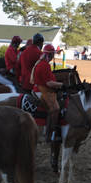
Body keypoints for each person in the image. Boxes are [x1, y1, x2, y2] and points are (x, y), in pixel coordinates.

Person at [32, 44, 64, 172]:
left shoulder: (41, 63)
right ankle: (50, 133)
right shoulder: (44, 65)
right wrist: (61, 84)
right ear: (49, 54)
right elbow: (48, 83)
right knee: (55, 108)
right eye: (51, 55)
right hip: (42, 90)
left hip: (40, 88)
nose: (52, 57)